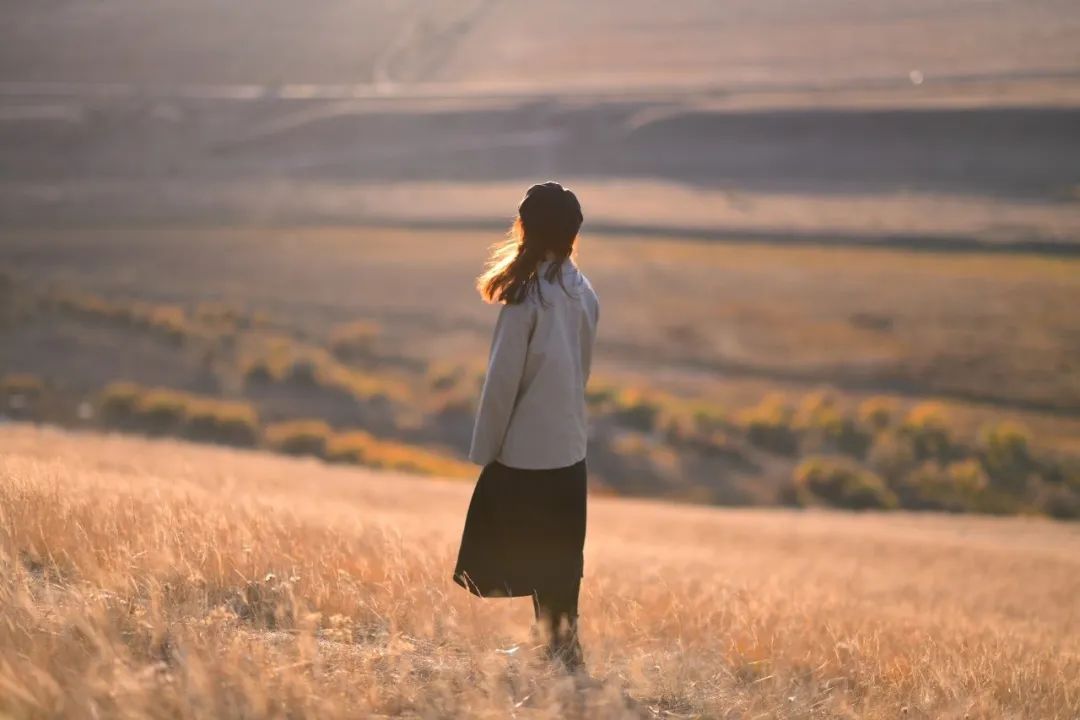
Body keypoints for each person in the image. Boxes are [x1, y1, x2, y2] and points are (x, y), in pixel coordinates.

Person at [451, 181, 599, 673]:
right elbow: (582, 371)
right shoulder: (585, 291)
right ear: (572, 233)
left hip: (524, 452)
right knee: (560, 556)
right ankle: (560, 651)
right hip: (571, 447)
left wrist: (486, 451)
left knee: (526, 551)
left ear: (526, 229)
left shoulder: (527, 298)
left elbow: (501, 385)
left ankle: (556, 652)